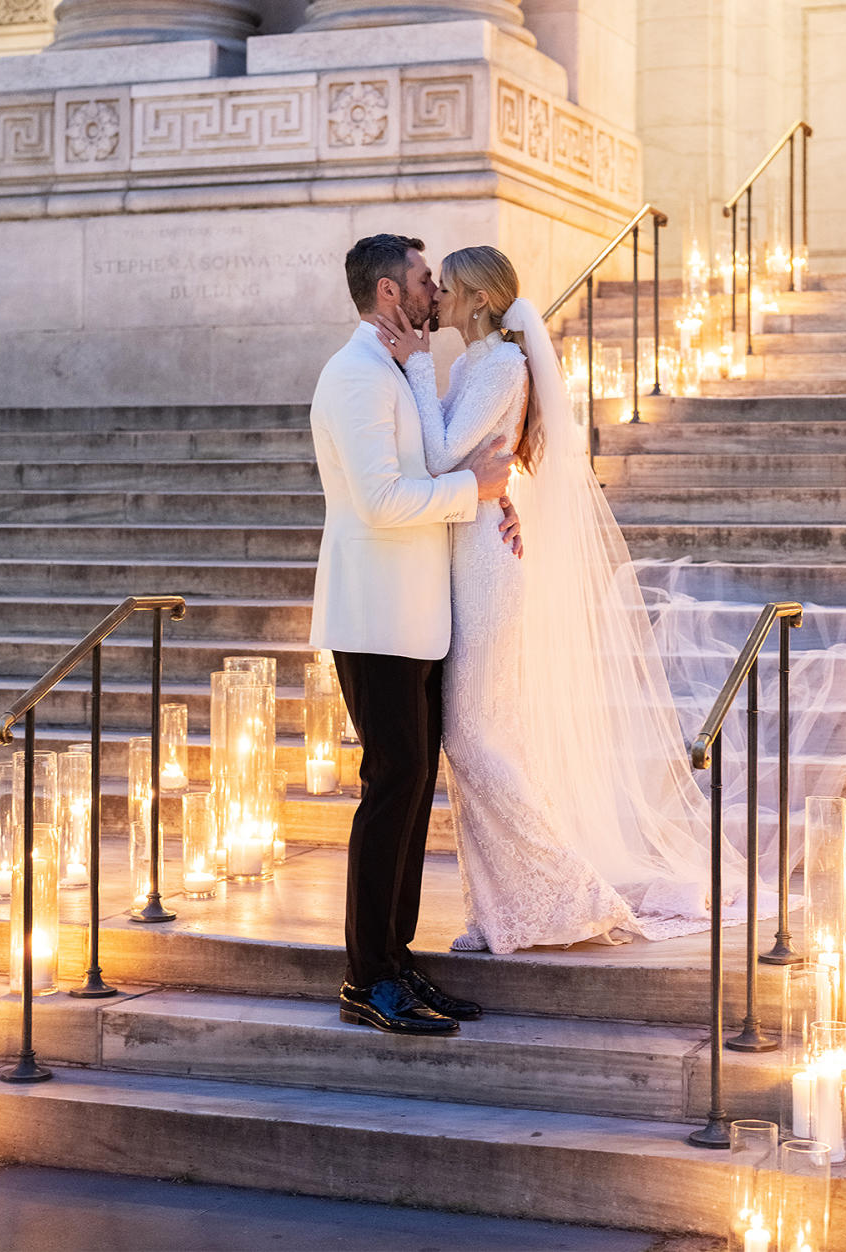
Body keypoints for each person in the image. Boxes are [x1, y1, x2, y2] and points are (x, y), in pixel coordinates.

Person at [375, 245, 749, 953]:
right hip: (467, 545)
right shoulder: (474, 365)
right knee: (483, 737)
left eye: (448, 289)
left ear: (479, 301)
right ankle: (500, 912)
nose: (439, 301)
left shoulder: (501, 365)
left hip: (487, 563)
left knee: (474, 738)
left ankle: (562, 890)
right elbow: (464, 457)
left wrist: (417, 365)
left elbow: (443, 453)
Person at [309, 234, 521, 1034]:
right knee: (389, 789)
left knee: (411, 789)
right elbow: (383, 501)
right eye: (425, 279)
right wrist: (477, 487)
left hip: (416, 619)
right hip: (374, 618)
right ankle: (367, 979)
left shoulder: (397, 366)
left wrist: (489, 498)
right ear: (391, 293)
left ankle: (395, 961)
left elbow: (427, 463)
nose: (437, 289)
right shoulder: (355, 376)